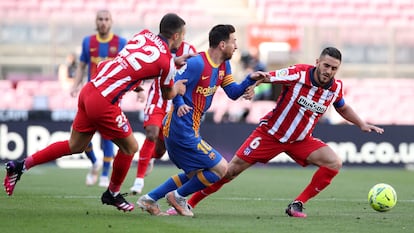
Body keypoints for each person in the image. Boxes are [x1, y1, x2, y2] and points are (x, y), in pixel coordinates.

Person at [4, 13, 190, 212]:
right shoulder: (166, 63)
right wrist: (178, 87)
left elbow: (130, 62)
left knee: (75, 145)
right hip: (104, 102)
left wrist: (170, 63)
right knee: (130, 147)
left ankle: (20, 165)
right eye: (184, 35)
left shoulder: (143, 35)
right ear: (177, 36)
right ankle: (112, 193)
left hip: (90, 90)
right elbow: (167, 93)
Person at [182, 47, 385, 218]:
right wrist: (253, 87)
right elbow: (267, 77)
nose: (329, 71)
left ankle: (297, 204)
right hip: (270, 134)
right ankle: (189, 203)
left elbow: (341, 107)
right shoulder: (298, 73)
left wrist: (361, 124)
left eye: (334, 68)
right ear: (317, 62)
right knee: (229, 171)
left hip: (300, 140)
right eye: (326, 66)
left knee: (334, 162)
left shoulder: (335, 88)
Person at [136, 24, 268, 217]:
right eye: (234, 42)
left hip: (191, 128)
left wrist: (250, 80)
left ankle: (149, 199)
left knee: (197, 174)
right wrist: (179, 103)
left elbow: (232, 93)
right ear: (222, 45)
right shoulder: (197, 63)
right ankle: (178, 197)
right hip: (179, 128)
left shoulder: (224, 65)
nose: (236, 46)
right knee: (221, 168)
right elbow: (174, 84)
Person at [129, 41, 197, 195]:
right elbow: (143, 67)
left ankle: (150, 157)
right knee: (151, 134)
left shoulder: (189, 50)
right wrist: (139, 88)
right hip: (157, 101)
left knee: (160, 150)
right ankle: (138, 180)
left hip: (175, 105)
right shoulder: (158, 49)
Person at [71, 10, 128, 187]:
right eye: (100, 19)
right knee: (82, 136)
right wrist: (75, 84)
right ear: (96, 22)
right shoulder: (88, 42)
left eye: (106, 19)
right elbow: (81, 66)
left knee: (108, 136)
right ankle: (95, 162)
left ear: (111, 22)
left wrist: (137, 89)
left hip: (111, 96)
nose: (103, 22)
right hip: (91, 95)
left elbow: (128, 69)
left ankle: (104, 173)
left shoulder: (121, 43)